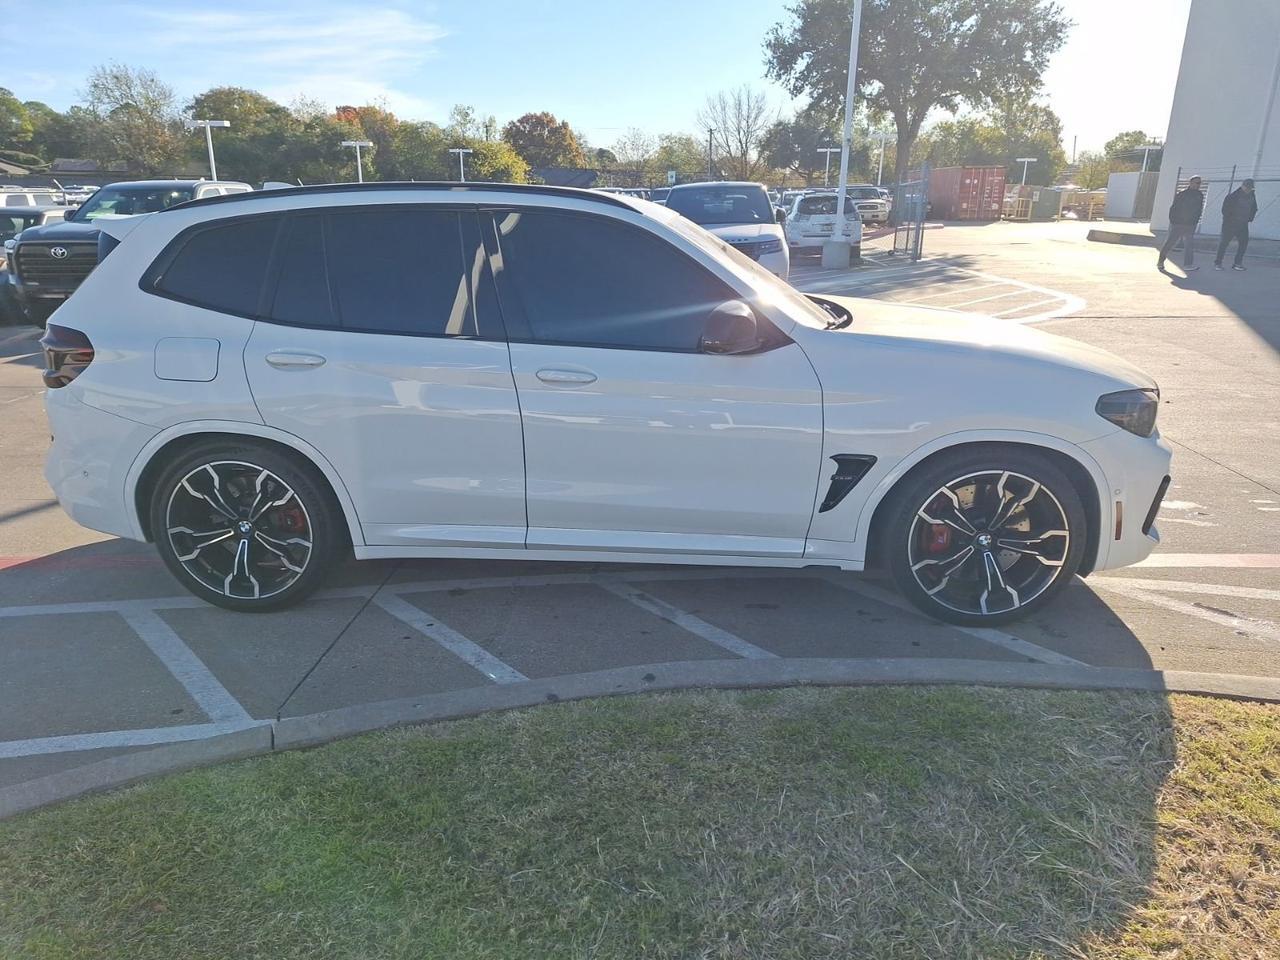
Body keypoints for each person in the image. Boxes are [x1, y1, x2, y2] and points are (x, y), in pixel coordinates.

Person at [1157, 176, 1204, 272]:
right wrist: (1174, 221)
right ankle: (1161, 261)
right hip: (1178, 223)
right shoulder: (1182, 194)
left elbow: (1199, 208)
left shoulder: (1199, 195)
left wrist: (1195, 220)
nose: (1198, 185)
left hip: (1191, 224)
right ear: (1190, 183)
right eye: (1196, 183)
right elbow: (1173, 208)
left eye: (1199, 183)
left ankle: (1188, 264)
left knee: (1189, 244)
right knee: (1170, 242)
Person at [1215, 178, 1258, 271]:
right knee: (1224, 243)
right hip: (1230, 224)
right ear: (1242, 186)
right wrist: (1230, 219)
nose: (1248, 189)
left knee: (1244, 243)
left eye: (1250, 188)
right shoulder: (1233, 196)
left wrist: (1250, 218)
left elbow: (1254, 208)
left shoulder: (1252, 196)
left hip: (1243, 224)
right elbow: (1225, 210)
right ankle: (1218, 263)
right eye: (1247, 187)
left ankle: (1237, 263)